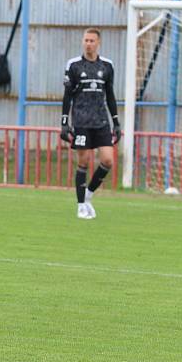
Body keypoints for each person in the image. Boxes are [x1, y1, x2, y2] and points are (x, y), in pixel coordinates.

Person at [60, 28, 121, 219]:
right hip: (81, 121)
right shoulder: (74, 65)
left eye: (92, 40)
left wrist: (116, 122)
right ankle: (80, 206)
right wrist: (64, 122)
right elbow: (67, 96)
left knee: (108, 160)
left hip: (101, 121)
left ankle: (88, 195)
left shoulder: (107, 66)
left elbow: (110, 95)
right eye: (85, 40)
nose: (88, 43)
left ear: (98, 43)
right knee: (84, 161)